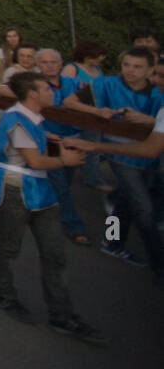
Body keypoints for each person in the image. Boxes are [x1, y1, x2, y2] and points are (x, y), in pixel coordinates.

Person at [0, 72, 105, 343]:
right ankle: (4, 295)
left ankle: (61, 315)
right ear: (32, 94)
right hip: (15, 189)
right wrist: (66, 159)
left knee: (54, 253)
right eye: (46, 89)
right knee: (9, 246)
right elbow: (36, 162)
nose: (52, 93)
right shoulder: (16, 122)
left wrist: (59, 141)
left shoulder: (30, 118)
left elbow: (40, 141)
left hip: (40, 191)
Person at [63, 46, 164, 278]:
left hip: (149, 155)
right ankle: (159, 264)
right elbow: (70, 102)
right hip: (119, 154)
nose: (130, 71)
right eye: (126, 65)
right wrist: (98, 112)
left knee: (124, 201)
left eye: (138, 67)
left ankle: (111, 241)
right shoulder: (106, 84)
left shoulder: (158, 91)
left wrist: (149, 120)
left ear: (150, 69)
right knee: (143, 208)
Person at [32, 48, 91, 244]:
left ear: (60, 64)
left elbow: (94, 98)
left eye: (53, 62)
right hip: (49, 142)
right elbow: (4, 89)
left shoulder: (75, 83)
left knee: (65, 181)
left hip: (73, 138)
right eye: (44, 62)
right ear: (37, 65)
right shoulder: (32, 85)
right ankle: (74, 227)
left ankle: (43, 207)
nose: (49, 66)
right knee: (60, 185)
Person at [62, 40, 110, 189]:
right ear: (88, 55)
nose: (102, 58)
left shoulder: (97, 70)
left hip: (94, 115)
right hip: (76, 114)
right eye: (99, 55)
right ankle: (87, 177)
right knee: (76, 144)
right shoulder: (72, 69)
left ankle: (92, 176)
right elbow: (65, 92)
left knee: (93, 147)